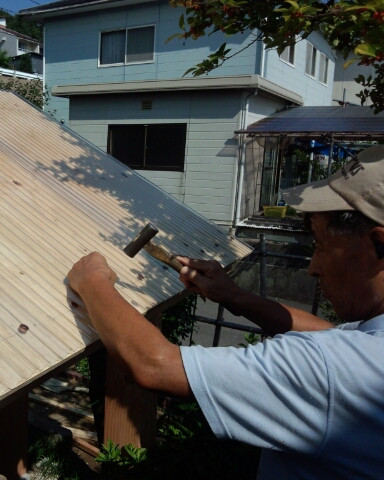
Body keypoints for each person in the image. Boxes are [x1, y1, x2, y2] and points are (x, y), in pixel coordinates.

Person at [67, 145, 384, 478]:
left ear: (377, 244)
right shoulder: (366, 350)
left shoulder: (333, 370)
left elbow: (156, 366)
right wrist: (231, 294)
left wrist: (92, 282)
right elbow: (328, 333)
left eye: (320, 244)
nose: (312, 267)